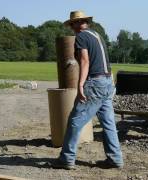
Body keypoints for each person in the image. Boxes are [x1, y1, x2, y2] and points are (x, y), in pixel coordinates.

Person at [52, 11, 123, 170]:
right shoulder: (97, 35)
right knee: (109, 123)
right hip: (106, 82)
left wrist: (80, 84)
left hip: (94, 83)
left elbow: (85, 61)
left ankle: (66, 158)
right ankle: (115, 159)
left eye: (72, 24)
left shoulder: (82, 37)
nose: (71, 28)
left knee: (75, 121)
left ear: (78, 23)